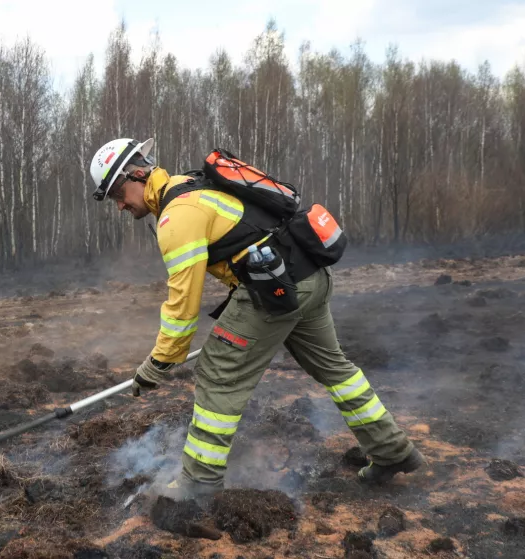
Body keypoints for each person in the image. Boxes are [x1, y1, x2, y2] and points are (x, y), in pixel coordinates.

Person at [88, 138, 424, 498]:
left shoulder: (176, 216)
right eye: (112, 199)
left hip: (275, 290)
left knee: (218, 373)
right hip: (309, 278)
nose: (120, 205)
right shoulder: (194, 186)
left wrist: (157, 364)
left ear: (138, 173)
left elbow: (182, 309)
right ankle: (392, 451)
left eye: (118, 192)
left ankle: (197, 486)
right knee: (337, 370)